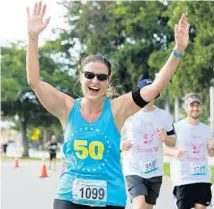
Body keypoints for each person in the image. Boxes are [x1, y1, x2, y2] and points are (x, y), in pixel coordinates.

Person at [26, 2, 189, 209]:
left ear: (108, 82)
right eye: (89, 75)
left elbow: (155, 87)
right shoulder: (67, 107)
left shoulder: (117, 109)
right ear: (81, 77)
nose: (95, 81)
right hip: (69, 195)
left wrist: (178, 50)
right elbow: (34, 82)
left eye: (101, 77)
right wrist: (32, 38)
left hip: (109, 196)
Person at [120, 79, 176, 209]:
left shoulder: (164, 116)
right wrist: (120, 145)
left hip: (155, 171)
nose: (149, 95)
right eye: (145, 92)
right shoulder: (128, 115)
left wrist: (166, 138)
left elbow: (173, 142)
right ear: (139, 94)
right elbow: (115, 137)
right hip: (133, 169)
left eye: (152, 91)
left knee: (147, 207)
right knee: (139, 206)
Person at [165, 93, 214, 209]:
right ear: (186, 108)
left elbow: (210, 154)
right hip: (183, 179)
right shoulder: (175, 127)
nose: (195, 108)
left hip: (202, 177)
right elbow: (163, 148)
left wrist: (213, 147)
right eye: (192, 105)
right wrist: (175, 153)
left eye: (198, 105)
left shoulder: (207, 129)